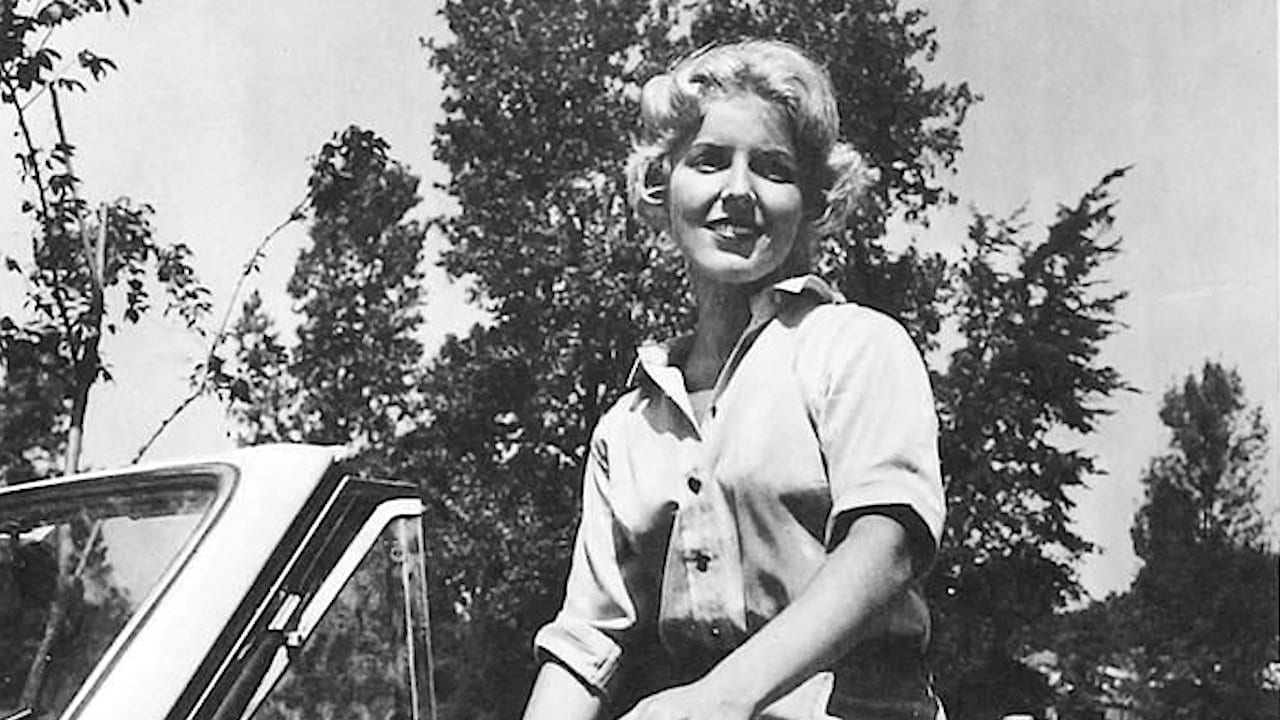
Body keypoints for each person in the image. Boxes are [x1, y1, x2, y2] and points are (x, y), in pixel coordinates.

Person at [522, 39, 945, 720]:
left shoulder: (854, 346)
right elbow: (586, 643)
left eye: (773, 169)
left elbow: (886, 544)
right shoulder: (627, 428)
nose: (739, 191)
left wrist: (719, 698)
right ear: (663, 184)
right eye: (710, 160)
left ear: (812, 201)